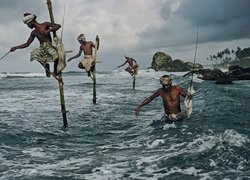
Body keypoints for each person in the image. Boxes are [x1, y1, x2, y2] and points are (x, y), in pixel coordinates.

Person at [10, 13, 62, 77]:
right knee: (34, 54)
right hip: (42, 47)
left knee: (56, 57)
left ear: (32, 21)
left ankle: (55, 71)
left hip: (49, 46)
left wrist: (48, 31)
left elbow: (58, 26)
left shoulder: (45, 24)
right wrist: (15, 47)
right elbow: (27, 44)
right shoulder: (33, 32)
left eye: (28, 24)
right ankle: (46, 66)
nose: (28, 26)